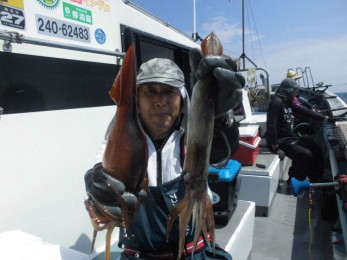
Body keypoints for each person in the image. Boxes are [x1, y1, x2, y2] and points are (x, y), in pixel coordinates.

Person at [84, 49, 245, 259]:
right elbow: (102, 172)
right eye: (150, 91)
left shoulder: (192, 132)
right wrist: (98, 191)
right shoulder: (119, 140)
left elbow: (223, 148)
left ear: (181, 97)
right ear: (137, 100)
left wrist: (223, 118)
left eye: (169, 91)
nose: (160, 101)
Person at [266, 78, 327, 184]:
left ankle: (315, 177)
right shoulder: (276, 103)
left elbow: (302, 110)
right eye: (295, 90)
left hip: (289, 137)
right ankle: (293, 181)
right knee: (305, 155)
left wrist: (321, 117)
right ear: (288, 90)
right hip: (280, 141)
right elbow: (271, 125)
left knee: (315, 147)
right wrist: (275, 147)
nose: (296, 93)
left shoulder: (287, 102)